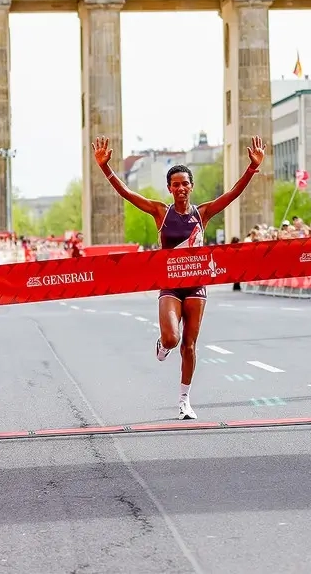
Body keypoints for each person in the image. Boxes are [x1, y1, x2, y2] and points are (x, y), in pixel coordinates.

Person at [94, 134, 266, 420]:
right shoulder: (161, 212)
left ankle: (184, 399)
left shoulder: (203, 213)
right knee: (173, 339)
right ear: (169, 188)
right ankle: (162, 345)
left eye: (185, 184)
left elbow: (233, 194)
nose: (181, 188)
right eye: (176, 185)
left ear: (192, 186)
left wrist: (252, 168)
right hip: (171, 285)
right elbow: (127, 194)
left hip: (196, 286)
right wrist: (106, 168)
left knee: (189, 345)